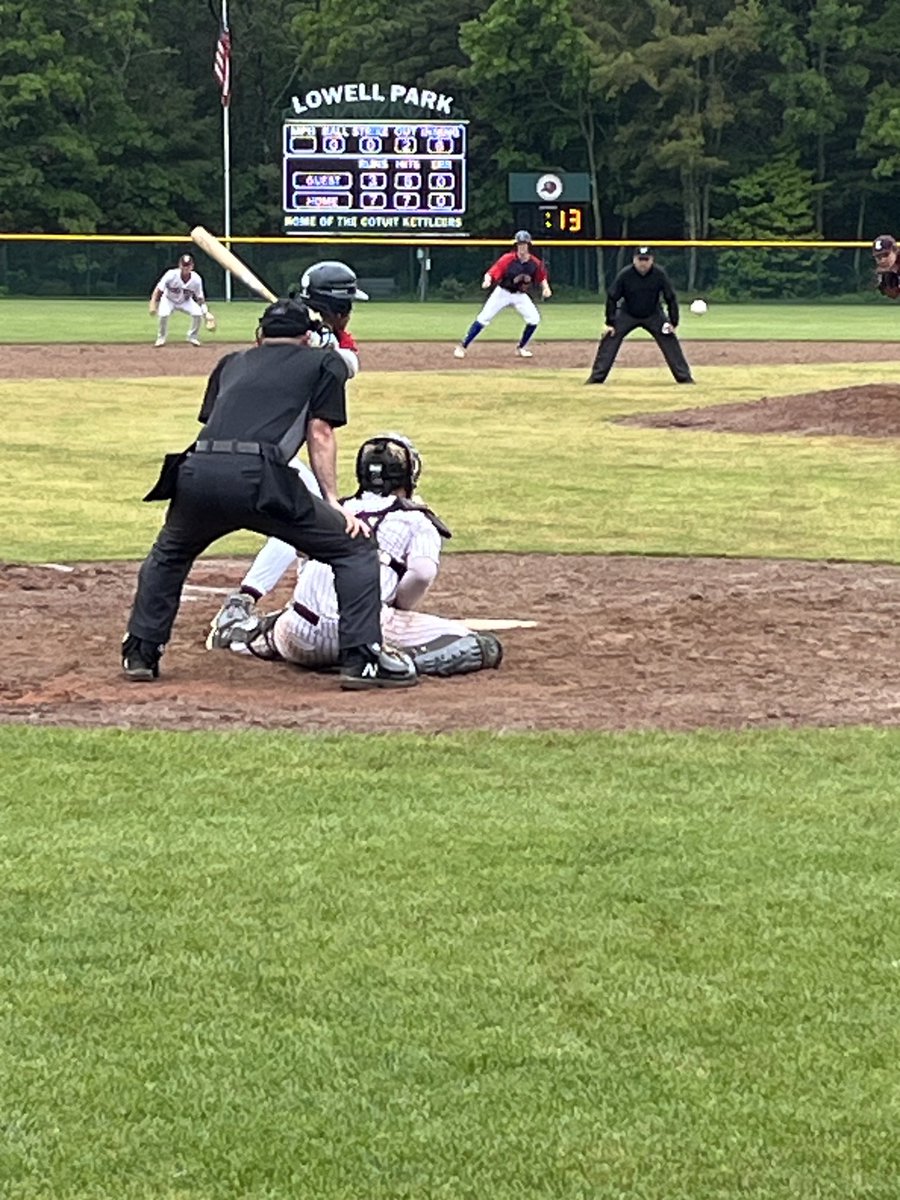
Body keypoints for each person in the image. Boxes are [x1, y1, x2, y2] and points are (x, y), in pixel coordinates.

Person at [121, 297, 418, 690]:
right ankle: (361, 659)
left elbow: (222, 421)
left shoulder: (231, 362)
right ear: (307, 336)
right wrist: (333, 503)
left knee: (168, 555)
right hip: (260, 478)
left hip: (196, 471)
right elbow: (320, 432)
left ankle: (141, 651)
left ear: (260, 335)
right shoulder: (323, 362)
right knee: (354, 548)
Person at [209, 432, 504, 678]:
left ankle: (245, 636)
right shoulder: (417, 520)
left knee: (281, 622)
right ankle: (398, 664)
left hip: (297, 634)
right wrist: (400, 604)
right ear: (408, 475)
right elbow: (423, 572)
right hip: (364, 631)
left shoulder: (332, 510)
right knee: (480, 645)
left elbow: (297, 548)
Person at [205, 260, 368, 646]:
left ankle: (277, 596)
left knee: (301, 511)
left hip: (263, 446)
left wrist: (322, 340)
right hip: (257, 447)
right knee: (303, 509)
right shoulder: (290, 334)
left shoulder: (319, 335)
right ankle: (245, 602)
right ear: (338, 306)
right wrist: (306, 339)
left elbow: (350, 364)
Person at [585, 246, 694, 385]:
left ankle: (684, 378)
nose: (643, 263)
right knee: (610, 337)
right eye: (640, 259)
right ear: (634, 260)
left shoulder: (659, 274)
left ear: (652, 260)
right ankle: (596, 378)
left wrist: (673, 322)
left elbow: (670, 297)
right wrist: (610, 323)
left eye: (646, 260)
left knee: (669, 337)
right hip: (627, 313)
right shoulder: (625, 274)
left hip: (653, 314)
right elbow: (612, 297)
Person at [453, 230, 551, 359]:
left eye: (524, 244)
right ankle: (462, 346)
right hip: (503, 292)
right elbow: (493, 271)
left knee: (534, 319)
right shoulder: (508, 259)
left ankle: (521, 347)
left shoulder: (534, 263)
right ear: (516, 245)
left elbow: (541, 277)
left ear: (529, 245)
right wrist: (487, 280)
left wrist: (546, 288)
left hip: (520, 295)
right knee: (483, 318)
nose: (522, 247)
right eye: (519, 244)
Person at [149, 253, 214, 347]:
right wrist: (153, 303)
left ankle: (192, 337)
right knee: (163, 314)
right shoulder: (171, 274)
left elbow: (200, 297)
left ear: (192, 266)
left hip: (185, 301)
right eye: (184, 265)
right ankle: (161, 338)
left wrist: (206, 312)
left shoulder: (196, 279)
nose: (186, 268)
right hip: (168, 300)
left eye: (188, 266)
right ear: (180, 265)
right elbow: (158, 289)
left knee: (198, 313)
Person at [872, 234, 900, 299]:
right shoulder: (886, 272)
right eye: (878, 257)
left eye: (886, 255)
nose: (883, 260)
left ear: (895, 251)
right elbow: (893, 295)